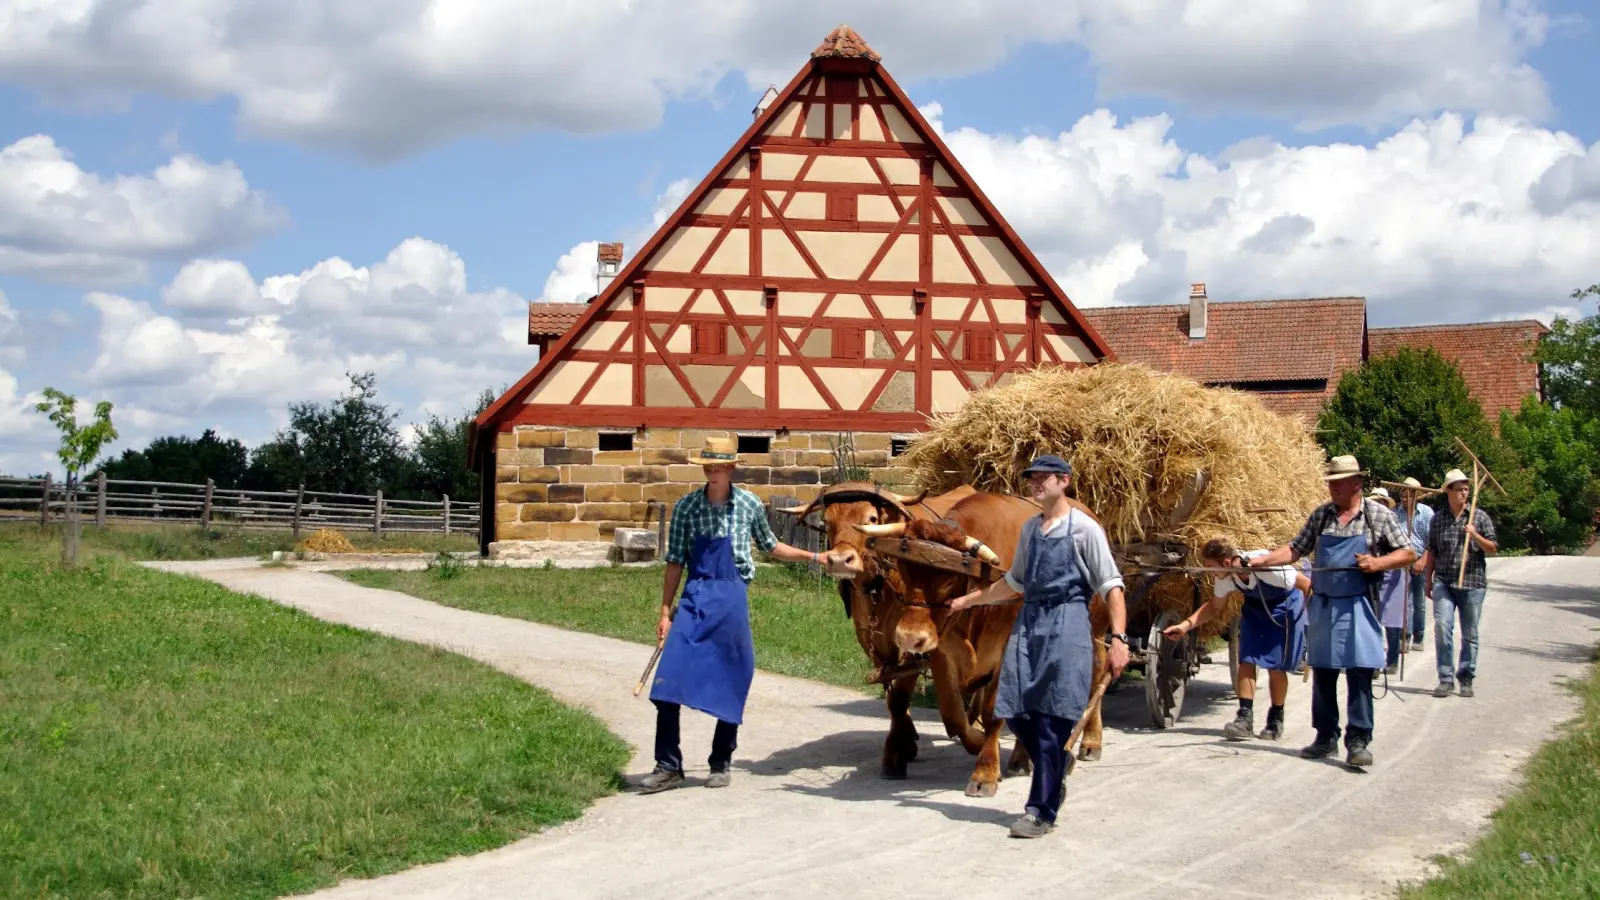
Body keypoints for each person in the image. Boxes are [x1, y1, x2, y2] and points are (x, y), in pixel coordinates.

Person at [639, 435, 838, 794]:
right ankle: (668, 765)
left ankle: (721, 760)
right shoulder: (686, 507)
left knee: (733, 674)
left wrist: (815, 558)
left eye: (719, 468)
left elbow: (771, 546)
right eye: (709, 468)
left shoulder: (748, 504)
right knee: (668, 678)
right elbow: (674, 562)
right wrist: (666, 611)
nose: (713, 473)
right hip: (695, 596)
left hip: (732, 597)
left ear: (731, 469)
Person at [949, 455, 1129, 839]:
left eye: (1043, 478)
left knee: (1051, 718)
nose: (1035, 483)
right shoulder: (1031, 529)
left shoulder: (1084, 529)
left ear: (1064, 481)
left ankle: (1040, 810)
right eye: (1031, 478)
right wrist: (970, 600)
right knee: (1012, 708)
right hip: (1029, 622)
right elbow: (1014, 582)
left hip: (1067, 623)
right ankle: (1056, 763)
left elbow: (1111, 586)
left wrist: (1118, 639)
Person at [1246, 455, 1415, 768]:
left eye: (1338, 482)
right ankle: (1325, 738)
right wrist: (1262, 561)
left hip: (1360, 604)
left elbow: (1408, 552)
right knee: (1323, 672)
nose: (1333, 487)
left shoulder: (1378, 516)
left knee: (1360, 671)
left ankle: (1359, 740)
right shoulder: (1321, 516)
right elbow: (1294, 550)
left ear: (1356, 483)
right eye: (1331, 482)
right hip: (1324, 603)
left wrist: (1378, 563)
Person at [1163, 538, 1310, 742]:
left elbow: (1306, 584)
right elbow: (1214, 606)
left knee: (1276, 667)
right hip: (1255, 609)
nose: (1208, 572)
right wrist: (1185, 626)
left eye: (1209, 566)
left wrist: (1310, 620)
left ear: (1224, 563)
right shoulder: (1226, 576)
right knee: (1247, 659)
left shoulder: (1265, 565)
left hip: (1284, 609)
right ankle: (1244, 718)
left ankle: (1276, 717)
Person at [1421, 468, 1498, 699]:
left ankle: (1466, 677)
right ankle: (1445, 679)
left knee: (1470, 633)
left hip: (1473, 583)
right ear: (1448, 491)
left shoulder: (1479, 517)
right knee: (1443, 627)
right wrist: (1428, 580)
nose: (1464, 493)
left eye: (1467, 489)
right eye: (1460, 489)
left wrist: (1475, 535)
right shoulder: (1438, 519)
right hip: (1445, 580)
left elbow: (1493, 548)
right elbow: (1432, 550)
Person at [1367, 488, 1408, 676]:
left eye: (1381, 502)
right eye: (1375, 501)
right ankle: (1374, 662)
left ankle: (1392, 660)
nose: (1378, 505)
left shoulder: (1393, 524)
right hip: (1372, 576)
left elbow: (1405, 551)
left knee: (1392, 621)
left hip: (1393, 576)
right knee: (1373, 620)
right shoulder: (1365, 524)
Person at [1397, 477, 1434, 649]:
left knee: (1419, 601)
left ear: (1416, 496)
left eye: (1409, 495)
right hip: (1402, 561)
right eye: (1403, 495)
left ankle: (1419, 636)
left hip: (1420, 561)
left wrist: (1423, 560)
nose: (1405, 499)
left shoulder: (1427, 513)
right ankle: (1405, 635)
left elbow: (1432, 541)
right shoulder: (1395, 513)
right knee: (1405, 601)